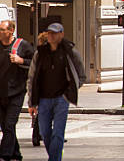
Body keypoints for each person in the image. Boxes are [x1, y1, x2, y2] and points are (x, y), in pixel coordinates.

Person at [27, 22, 85, 161]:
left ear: (61, 34)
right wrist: (31, 102)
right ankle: (55, 156)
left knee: (58, 133)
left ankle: (55, 159)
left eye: (54, 33)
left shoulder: (69, 51)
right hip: (43, 99)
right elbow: (32, 76)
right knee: (45, 132)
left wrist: (70, 91)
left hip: (61, 99)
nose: (51, 36)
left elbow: (81, 75)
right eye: (49, 33)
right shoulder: (40, 53)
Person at [0, 19, 34, 161]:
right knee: (6, 126)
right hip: (0, 93)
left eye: (2, 30)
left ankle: (4, 155)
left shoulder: (22, 45)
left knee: (9, 124)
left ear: (11, 30)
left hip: (17, 92)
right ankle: (16, 154)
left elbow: (35, 62)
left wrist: (21, 61)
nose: (0, 33)